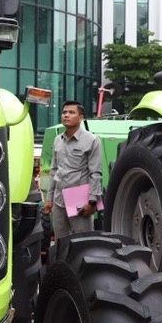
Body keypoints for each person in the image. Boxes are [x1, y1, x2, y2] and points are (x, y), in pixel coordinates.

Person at [43, 100, 104, 239]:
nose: (66, 115)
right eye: (64, 112)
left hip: (80, 201)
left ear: (81, 117)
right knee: (60, 242)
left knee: (83, 242)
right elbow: (54, 171)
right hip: (59, 200)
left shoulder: (92, 140)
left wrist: (92, 202)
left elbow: (96, 173)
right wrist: (49, 199)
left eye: (71, 112)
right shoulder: (58, 140)